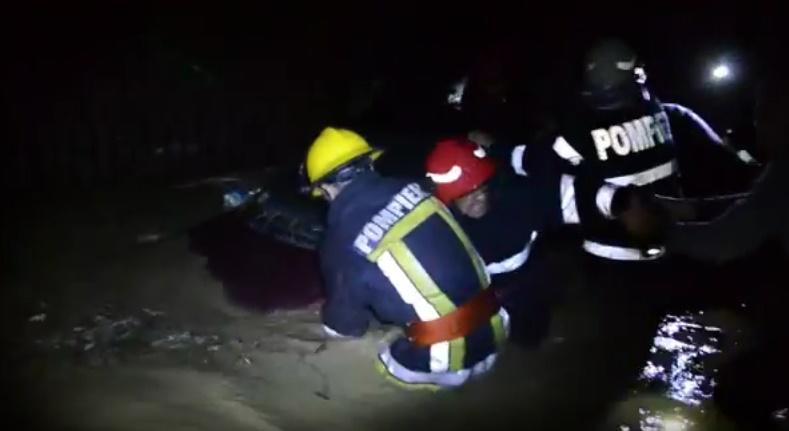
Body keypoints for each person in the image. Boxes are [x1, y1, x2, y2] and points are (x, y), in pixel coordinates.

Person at [305, 127, 509, 389]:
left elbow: (345, 326)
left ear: (326, 189)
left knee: (349, 365)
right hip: (497, 324)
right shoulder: (416, 188)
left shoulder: (341, 241)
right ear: (370, 162)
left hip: (441, 359)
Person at [508, 39, 746, 263]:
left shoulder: (578, 132)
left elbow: (524, 161)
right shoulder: (666, 115)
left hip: (610, 255)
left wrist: (495, 150)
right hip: (669, 243)